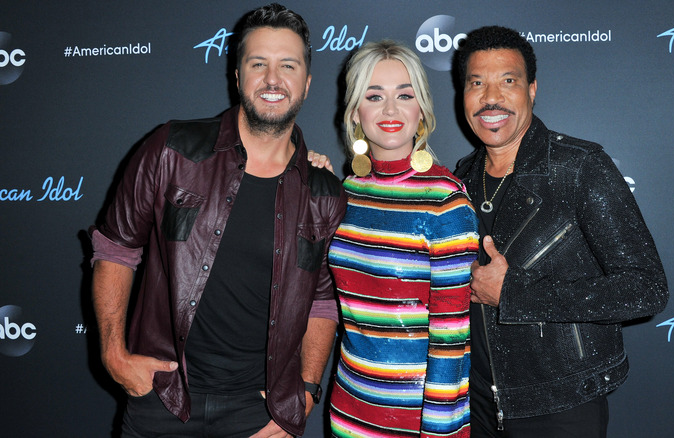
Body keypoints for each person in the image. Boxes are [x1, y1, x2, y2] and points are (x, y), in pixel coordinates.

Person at [89, 3, 347, 437]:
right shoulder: (172, 149)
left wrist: (303, 392)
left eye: (288, 65)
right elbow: (117, 248)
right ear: (237, 75)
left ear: (306, 83)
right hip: (163, 397)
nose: (272, 79)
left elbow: (322, 301)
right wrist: (114, 354)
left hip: (259, 411)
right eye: (258, 63)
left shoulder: (323, 193)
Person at [453, 26, 669, 438]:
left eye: (508, 81)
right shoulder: (459, 178)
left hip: (560, 405)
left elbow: (646, 289)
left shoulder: (580, 167)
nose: (490, 98)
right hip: (474, 404)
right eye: (477, 83)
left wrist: (515, 294)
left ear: (532, 89)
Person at [326, 40, 479, 438]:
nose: (390, 110)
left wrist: (440, 431)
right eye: (374, 96)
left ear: (421, 111)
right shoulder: (344, 192)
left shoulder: (445, 199)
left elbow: (452, 335)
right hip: (349, 411)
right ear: (356, 112)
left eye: (404, 95)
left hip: (418, 422)